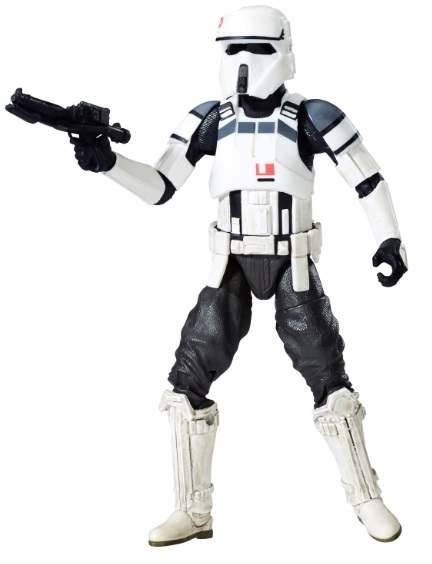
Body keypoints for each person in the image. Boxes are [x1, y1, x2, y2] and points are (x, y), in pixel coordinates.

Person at [72, 6, 407, 546]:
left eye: (259, 49)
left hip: (293, 259)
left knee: (327, 374)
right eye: (234, 50)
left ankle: (366, 496)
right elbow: (160, 185)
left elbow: (366, 180)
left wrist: (389, 239)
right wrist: (107, 163)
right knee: (187, 381)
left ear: (285, 51)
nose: (245, 62)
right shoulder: (210, 119)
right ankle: (192, 510)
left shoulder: (313, 116)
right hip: (227, 262)